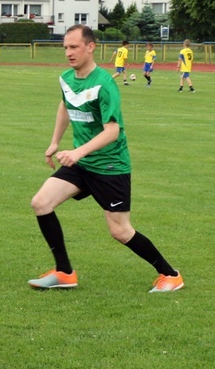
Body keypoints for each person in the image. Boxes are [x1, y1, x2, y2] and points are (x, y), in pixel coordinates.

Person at [28, 25, 183, 294]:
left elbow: (113, 131)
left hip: (110, 166)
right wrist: (55, 142)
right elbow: (66, 105)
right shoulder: (66, 78)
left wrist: (77, 152)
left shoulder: (104, 83)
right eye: (65, 47)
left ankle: (170, 275)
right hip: (83, 164)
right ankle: (64, 273)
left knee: (120, 231)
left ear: (90, 47)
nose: (68, 52)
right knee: (41, 203)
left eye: (74, 47)